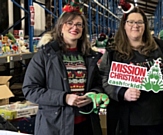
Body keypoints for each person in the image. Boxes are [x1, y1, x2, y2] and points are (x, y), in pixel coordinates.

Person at [22, 2, 107, 135]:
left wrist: (93, 95)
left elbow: (98, 84)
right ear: (61, 27)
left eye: (79, 24)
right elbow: (30, 89)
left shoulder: (89, 56)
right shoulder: (45, 55)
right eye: (70, 23)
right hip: (55, 125)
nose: (75, 27)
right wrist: (64, 98)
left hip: (87, 124)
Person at [99, 4, 163, 135]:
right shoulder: (113, 50)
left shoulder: (159, 47)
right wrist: (122, 93)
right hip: (126, 120)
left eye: (140, 22)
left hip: (157, 118)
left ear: (145, 25)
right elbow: (103, 79)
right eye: (131, 22)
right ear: (124, 25)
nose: (135, 25)